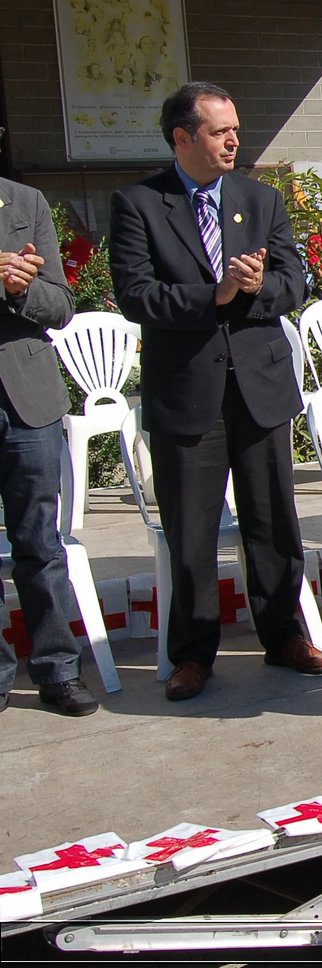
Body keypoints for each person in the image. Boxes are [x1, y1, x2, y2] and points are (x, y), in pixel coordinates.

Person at [109, 82, 322, 701]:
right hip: (187, 388)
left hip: (259, 384)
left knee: (273, 521)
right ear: (182, 138)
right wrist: (212, 296)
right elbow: (135, 294)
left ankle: (284, 635)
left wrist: (258, 287)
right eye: (218, 131)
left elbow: (295, 284)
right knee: (192, 530)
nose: (233, 140)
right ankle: (192, 655)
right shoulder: (138, 204)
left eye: (236, 128)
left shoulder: (259, 199)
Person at [0, 173, 98, 717]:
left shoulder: (24, 200)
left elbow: (60, 305)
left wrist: (20, 288)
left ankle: (58, 669)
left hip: (26, 399)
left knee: (40, 542)